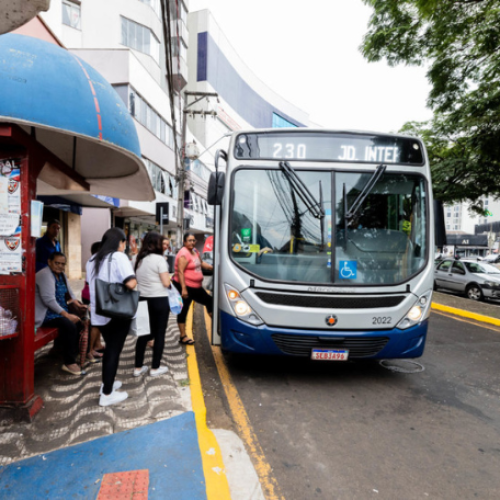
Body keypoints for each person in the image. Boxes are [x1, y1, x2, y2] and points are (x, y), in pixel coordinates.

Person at [86, 228, 137, 407]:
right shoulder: (118, 257)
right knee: (113, 351)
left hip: (99, 312)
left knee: (110, 349)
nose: (124, 247)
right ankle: (107, 394)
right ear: (119, 242)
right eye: (124, 243)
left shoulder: (92, 259)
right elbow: (131, 283)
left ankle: (106, 384)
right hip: (117, 312)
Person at [35, 252, 87, 375]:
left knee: (79, 323)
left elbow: (70, 293)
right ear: (49, 262)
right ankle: (69, 362)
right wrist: (67, 315)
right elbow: (49, 300)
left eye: (62, 264)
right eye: (57, 263)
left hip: (59, 311)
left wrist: (78, 304)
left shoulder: (62, 275)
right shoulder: (44, 275)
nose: (60, 266)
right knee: (69, 325)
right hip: (46, 314)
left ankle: (64, 352)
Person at [134, 231, 171, 377]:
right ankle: (155, 368)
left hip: (142, 299)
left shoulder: (138, 259)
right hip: (159, 300)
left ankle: (138, 368)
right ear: (157, 244)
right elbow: (166, 282)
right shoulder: (159, 260)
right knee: (159, 334)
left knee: (143, 334)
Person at [172, 233, 213, 345]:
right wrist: (184, 289)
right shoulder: (183, 253)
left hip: (196, 287)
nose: (192, 242)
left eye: (193, 240)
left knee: (210, 300)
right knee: (184, 310)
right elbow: (180, 272)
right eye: (189, 240)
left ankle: (216, 326)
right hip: (186, 286)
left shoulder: (194, 251)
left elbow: (200, 263)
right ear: (184, 242)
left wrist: (211, 268)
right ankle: (183, 336)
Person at [82, 241, 105, 361]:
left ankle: (96, 345)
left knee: (97, 322)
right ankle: (89, 351)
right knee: (95, 323)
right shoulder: (96, 261)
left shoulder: (91, 260)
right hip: (92, 295)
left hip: (89, 293)